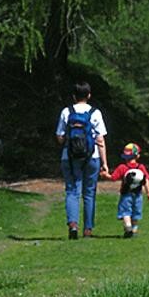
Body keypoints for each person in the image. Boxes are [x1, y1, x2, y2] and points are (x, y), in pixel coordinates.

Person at [55, 82, 108, 239]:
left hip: (69, 157)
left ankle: (73, 224)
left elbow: (59, 137)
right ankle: (88, 229)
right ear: (89, 95)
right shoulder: (95, 113)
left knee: (72, 191)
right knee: (89, 193)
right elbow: (100, 140)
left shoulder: (66, 111)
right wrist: (105, 164)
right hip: (92, 157)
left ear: (73, 96)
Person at [101, 142, 149, 238]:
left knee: (126, 212)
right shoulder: (141, 167)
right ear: (137, 156)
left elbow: (113, 177)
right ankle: (134, 230)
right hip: (138, 195)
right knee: (136, 213)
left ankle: (128, 227)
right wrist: (148, 192)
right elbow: (146, 180)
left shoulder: (122, 167)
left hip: (126, 194)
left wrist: (105, 175)